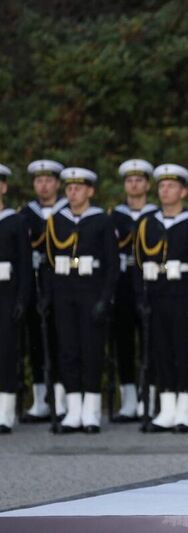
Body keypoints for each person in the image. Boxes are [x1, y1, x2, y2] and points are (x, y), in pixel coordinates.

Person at [133, 164, 188, 433]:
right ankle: (166, 409)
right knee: (161, 352)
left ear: (183, 192)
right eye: (162, 186)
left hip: (183, 293)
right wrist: (141, 297)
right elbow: (138, 264)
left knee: (185, 352)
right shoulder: (148, 223)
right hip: (157, 294)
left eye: (172, 186)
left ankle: (185, 410)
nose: (165, 191)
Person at [43, 167, 119, 433]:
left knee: (91, 351)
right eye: (69, 188)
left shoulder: (101, 220)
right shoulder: (57, 221)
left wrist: (105, 298)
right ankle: (73, 409)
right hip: (65, 291)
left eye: (78, 188)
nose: (72, 193)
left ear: (90, 191)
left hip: (91, 291)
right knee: (68, 350)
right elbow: (49, 263)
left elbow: (112, 265)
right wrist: (48, 296)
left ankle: (91, 411)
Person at [19, 160, 68, 422]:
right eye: (39, 181)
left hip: (61, 284)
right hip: (34, 283)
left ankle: (61, 398)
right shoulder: (26, 214)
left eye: (49, 180)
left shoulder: (67, 212)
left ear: (57, 184)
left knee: (61, 339)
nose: (44, 186)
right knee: (36, 341)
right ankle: (40, 399)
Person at [109, 159, 158, 422]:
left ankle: (148, 395)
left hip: (151, 284)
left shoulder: (156, 216)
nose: (134, 185)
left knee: (151, 343)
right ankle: (128, 398)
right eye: (129, 180)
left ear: (147, 185)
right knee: (123, 343)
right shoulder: (114, 217)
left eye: (139, 180)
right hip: (122, 283)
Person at [0, 164, 32, 433]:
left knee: (6, 352)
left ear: (3, 187)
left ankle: (5, 411)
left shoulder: (15, 221)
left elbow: (24, 264)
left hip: (6, 294)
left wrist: (22, 298)